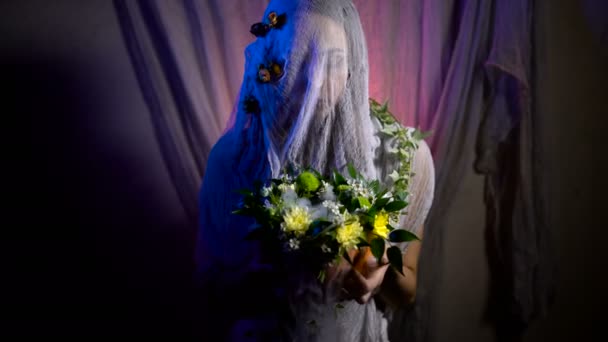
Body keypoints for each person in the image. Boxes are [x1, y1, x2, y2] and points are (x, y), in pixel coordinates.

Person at [194, 0, 435, 340]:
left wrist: (379, 265)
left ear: (352, 69)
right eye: (301, 57)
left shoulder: (397, 158)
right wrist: (267, 270)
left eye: (334, 62)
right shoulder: (234, 159)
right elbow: (208, 288)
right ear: (273, 63)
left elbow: (406, 293)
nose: (316, 81)